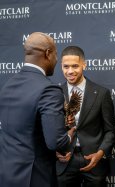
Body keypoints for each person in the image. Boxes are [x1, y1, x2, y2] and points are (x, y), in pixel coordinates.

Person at [0, 32, 74, 187]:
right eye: (56, 54)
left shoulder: (8, 85)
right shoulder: (49, 89)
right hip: (35, 177)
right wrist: (68, 136)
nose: (56, 59)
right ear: (48, 53)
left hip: (7, 175)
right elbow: (56, 142)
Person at [56, 46, 115, 187]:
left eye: (75, 66)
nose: (70, 71)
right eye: (66, 66)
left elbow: (111, 131)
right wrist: (55, 151)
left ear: (84, 64)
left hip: (94, 161)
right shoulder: (55, 93)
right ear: (61, 66)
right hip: (64, 162)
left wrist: (100, 153)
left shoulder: (102, 93)